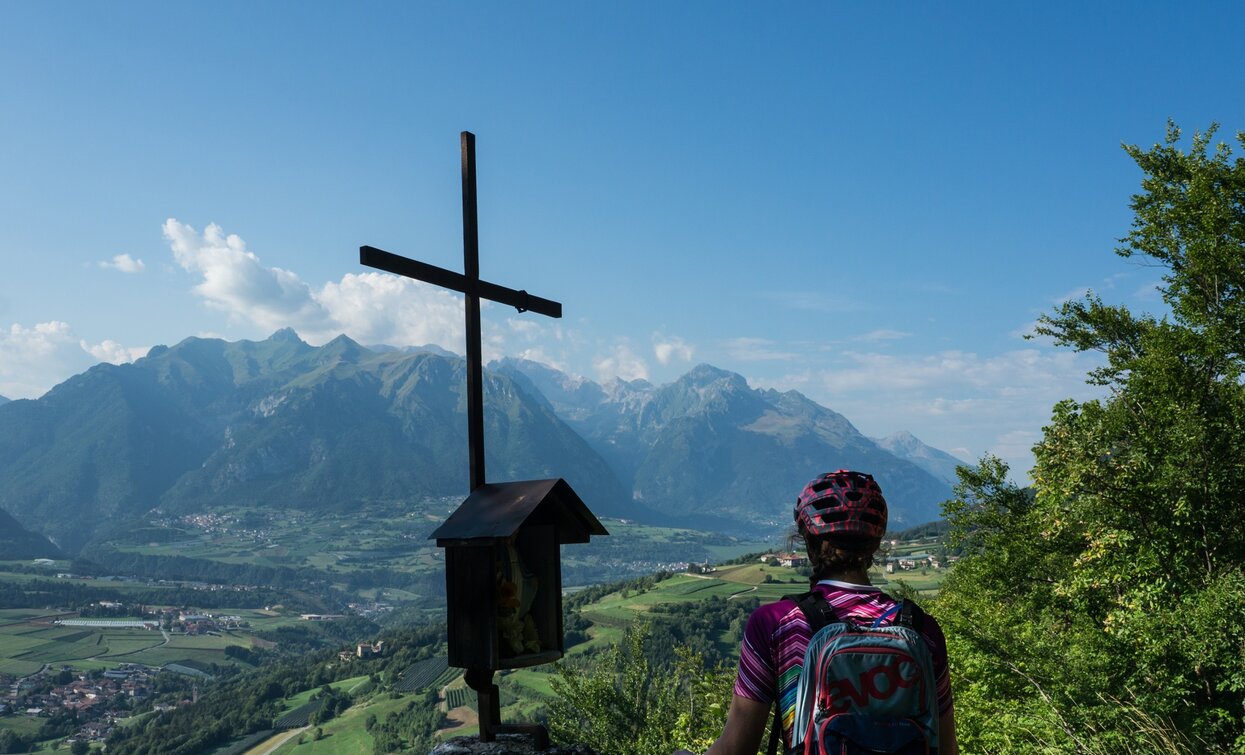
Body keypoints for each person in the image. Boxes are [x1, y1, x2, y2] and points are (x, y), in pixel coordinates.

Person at [701, 470, 958, 755]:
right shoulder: (923, 630)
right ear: (875, 546)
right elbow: (946, 749)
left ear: (808, 543)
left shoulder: (776, 624)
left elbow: (737, 748)